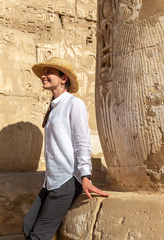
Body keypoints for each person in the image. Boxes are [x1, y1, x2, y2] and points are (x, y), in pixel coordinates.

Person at [22, 57, 109, 240]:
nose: (44, 76)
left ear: (64, 79)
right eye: (43, 73)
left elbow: (82, 141)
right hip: (52, 180)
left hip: (67, 179)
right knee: (28, 225)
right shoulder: (54, 107)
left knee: (39, 235)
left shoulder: (73, 104)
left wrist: (86, 176)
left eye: (49, 73)